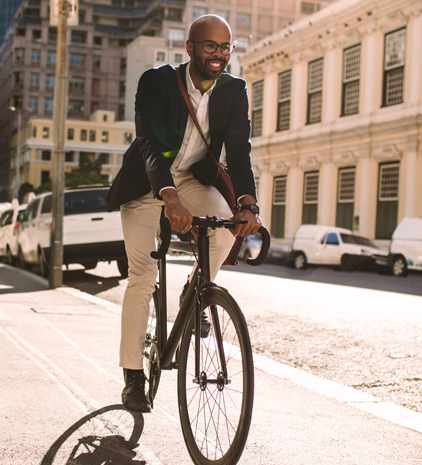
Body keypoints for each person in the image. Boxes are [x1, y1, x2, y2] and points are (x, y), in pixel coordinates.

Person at [105, 14, 263, 413]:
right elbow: (150, 144)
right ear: (190, 47)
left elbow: (239, 151)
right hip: (147, 185)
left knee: (226, 231)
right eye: (210, 46)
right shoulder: (156, 81)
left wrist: (247, 204)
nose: (219, 54)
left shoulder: (234, 90)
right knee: (141, 278)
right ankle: (133, 378)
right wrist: (168, 196)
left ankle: (194, 294)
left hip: (193, 180)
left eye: (226, 47)